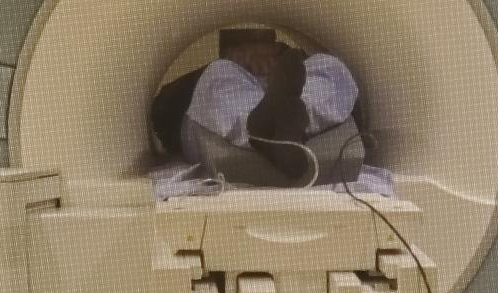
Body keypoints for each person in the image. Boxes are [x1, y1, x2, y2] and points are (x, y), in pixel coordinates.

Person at [151, 29, 362, 180]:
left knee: (330, 65)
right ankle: (267, 127)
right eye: (246, 43)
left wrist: (284, 56)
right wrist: (229, 62)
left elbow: (357, 111)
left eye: (266, 42)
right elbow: (162, 110)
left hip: (290, 101)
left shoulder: (291, 66)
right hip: (240, 103)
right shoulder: (220, 71)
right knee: (218, 74)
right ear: (226, 47)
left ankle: (278, 125)